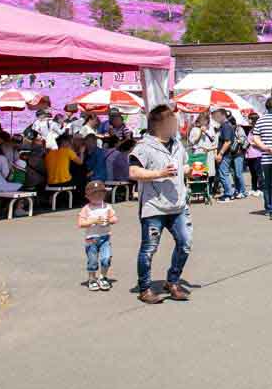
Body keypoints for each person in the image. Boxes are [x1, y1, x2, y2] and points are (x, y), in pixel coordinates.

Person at [129, 105, 192, 304]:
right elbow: (133, 172)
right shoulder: (143, 147)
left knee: (185, 244)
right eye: (171, 121)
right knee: (149, 249)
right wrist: (159, 174)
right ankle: (145, 288)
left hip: (178, 205)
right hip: (153, 207)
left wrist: (191, 170)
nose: (175, 125)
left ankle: (172, 281)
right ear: (159, 125)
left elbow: (183, 166)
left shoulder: (178, 145)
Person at [77, 180, 118, 291]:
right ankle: (92, 279)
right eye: (94, 194)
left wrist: (109, 220)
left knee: (106, 258)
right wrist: (93, 221)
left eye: (100, 194)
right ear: (88, 196)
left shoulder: (107, 207)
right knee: (92, 260)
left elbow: (114, 218)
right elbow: (80, 223)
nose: (98, 196)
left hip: (105, 237)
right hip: (91, 239)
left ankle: (103, 277)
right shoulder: (87, 208)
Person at [215, 109, 246, 201]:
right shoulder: (223, 126)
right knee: (228, 174)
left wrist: (220, 154)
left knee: (229, 174)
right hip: (229, 154)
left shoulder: (226, 126)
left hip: (231, 154)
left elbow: (227, 142)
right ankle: (232, 192)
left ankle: (230, 193)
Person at [245, 113, 264, 198]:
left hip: (257, 154)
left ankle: (261, 189)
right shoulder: (251, 129)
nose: (248, 120)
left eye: (249, 119)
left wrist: (253, 143)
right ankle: (254, 188)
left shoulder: (258, 130)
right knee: (253, 173)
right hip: (250, 154)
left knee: (258, 173)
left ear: (253, 120)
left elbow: (262, 143)